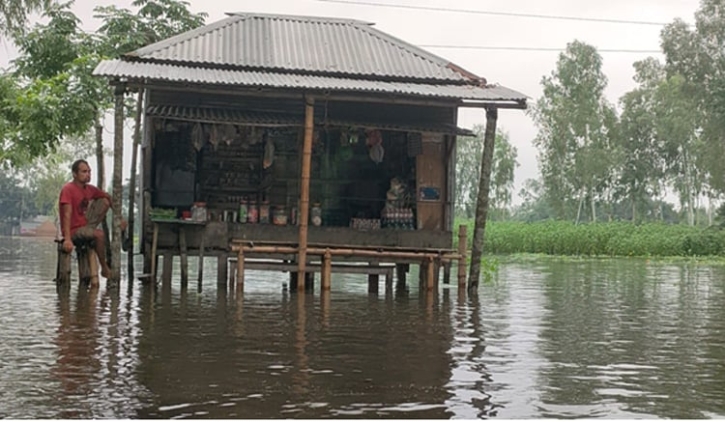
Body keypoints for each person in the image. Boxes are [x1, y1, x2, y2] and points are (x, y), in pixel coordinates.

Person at [58, 159, 113, 279]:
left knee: (105, 201)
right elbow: (66, 215)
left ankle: (92, 232)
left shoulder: (89, 189)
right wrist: (67, 239)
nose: (88, 174)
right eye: (84, 172)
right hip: (73, 230)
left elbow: (107, 196)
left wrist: (120, 218)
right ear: (74, 174)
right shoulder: (68, 189)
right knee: (100, 235)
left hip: (85, 225)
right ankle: (104, 267)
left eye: (89, 171)